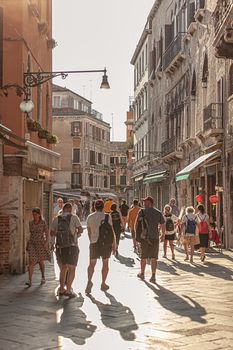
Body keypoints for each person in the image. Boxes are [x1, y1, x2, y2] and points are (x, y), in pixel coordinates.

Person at [50, 202, 83, 298]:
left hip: (60, 246)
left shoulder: (56, 219)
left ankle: (61, 289)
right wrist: (76, 235)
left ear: (63, 209)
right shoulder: (74, 217)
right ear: (70, 209)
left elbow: (52, 233)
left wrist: (52, 244)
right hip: (72, 246)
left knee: (63, 268)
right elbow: (80, 230)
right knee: (72, 269)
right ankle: (68, 290)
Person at [85, 199, 116, 294]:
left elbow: (89, 232)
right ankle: (103, 283)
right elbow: (112, 231)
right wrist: (114, 244)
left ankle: (89, 281)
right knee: (105, 263)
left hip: (94, 243)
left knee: (92, 264)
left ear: (94, 207)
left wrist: (92, 241)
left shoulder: (90, 217)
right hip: (105, 244)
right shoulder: (107, 216)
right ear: (103, 207)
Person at [135, 196, 165, 283]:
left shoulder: (142, 211)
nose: (144, 203)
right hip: (155, 238)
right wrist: (163, 235)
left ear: (150, 203)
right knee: (154, 258)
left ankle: (142, 273)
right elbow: (163, 224)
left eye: (146, 202)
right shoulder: (158, 212)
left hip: (144, 238)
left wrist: (137, 237)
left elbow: (136, 224)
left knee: (143, 257)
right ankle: (153, 276)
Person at [26, 208, 51, 287]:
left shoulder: (43, 223)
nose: (34, 216)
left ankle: (43, 276)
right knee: (31, 262)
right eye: (33, 214)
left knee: (40, 261)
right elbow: (29, 234)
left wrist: (47, 243)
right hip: (32, 244)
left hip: (40, 244)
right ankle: (30, 280)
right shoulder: (30, 223)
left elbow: (47, 233)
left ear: (39, 214)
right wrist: (27, 244)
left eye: (35, 214)